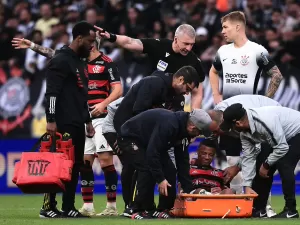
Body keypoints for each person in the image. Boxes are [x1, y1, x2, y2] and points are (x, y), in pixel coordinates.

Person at [12, 29, 123, 217]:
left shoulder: (104, 64)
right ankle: (72, 205)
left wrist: (98, 108)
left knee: (93, 161)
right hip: (74, 119)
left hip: (95, 117)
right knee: (73, 163)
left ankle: (97, 205)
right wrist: (32, 45)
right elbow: (54, 60)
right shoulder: (74, 60)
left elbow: (114, 90)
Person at [208, 10, 283, 211]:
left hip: (250, 118)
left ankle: (263, 206)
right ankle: (235, 207)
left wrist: (264, 103)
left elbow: (276, 75)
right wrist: (216, 95)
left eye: (225, 27)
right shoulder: (223, 51)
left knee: (258, 162)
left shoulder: (257, 50)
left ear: (238, 27)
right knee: (232, 163)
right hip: (228, 119)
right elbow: (213, 71)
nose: (222, 31)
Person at [113, 66, 200, 215]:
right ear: (180, 80)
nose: (187, 93)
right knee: (139, 166)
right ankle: (133, 206)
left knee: (166, 168)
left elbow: (176, 128)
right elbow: (138, 113)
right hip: (127, 129)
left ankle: (161, 209)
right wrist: (123, 137)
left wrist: (188, 186)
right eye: (188, 88)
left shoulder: (178, 98)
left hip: (150, 134)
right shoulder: (154, 83)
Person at [41, 21, 96, 218]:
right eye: (90, 41)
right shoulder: (61, 60)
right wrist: (51, 119)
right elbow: (52, 93)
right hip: (61, 121)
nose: (92, 45)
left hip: (77, 122)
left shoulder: (79, 62)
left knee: (74, 166)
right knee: (56, 165)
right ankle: (47, 207)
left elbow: (82, 95)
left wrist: (88, 120)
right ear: (79, 38)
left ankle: (68, 207)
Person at [120, 108, 216, 219]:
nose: (198, 135)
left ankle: (164, 208)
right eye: (199, 132)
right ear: (192, 127)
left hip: (149, 143)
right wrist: (160, 179)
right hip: (129, 137)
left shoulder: (184, 131)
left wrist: (189, 191)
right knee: (145, 167)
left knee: (170, 170)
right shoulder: (170, 125)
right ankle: (135, 208)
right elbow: (152, 153)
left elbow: (182, 162)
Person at [95, 24, 206, 109]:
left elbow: (197, 93)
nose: (189, 48)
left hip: (173, 105)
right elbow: (130, 42)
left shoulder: (193, 61)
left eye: (192, 44)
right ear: (176, 39)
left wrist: (192, 118)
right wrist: (111, 36)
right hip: (149, 97)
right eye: (186, 44)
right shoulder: (159, 46)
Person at [220, 103, 300, 218]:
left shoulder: (264, 122)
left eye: (231, 126)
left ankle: (291, 210)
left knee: (284, 163)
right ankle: (259, 209)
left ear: (238, 123)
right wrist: (247, 186)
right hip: (279, 135)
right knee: (260, 163)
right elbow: (248, 157)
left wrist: (267, 165)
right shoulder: (245, 133)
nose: (232, 130)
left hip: (297, 130)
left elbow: (282, 147)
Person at [207, 94, 281, 217]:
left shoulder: (247, 119)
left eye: (216, 131)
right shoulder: (218, 114)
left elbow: (255, 150)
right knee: (233, 160)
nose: (214, 135)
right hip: (245, 121)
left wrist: (236, 167)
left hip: (272, 120)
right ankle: (236, 205)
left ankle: (265, 207)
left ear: (224, 123)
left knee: (262, 164)